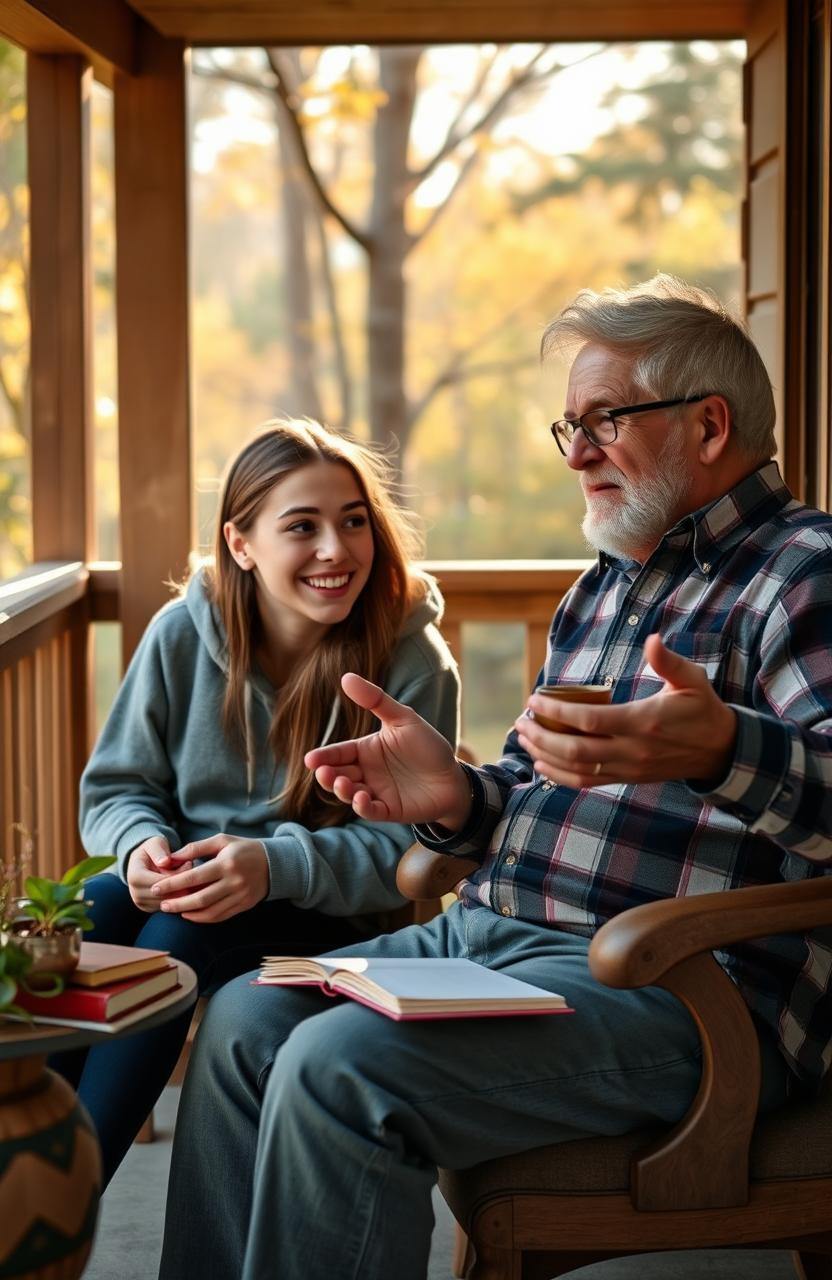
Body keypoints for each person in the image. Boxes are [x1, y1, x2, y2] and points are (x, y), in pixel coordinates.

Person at [158, 276, 832, 1280]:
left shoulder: (801, 572)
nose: (576, 452)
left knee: (337, 1071)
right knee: (249, 1018)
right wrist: (454, 797)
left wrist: (720, 749)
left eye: (603, 420)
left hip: (674, 986)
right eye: (568, 425)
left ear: (707, 424)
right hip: (493, 942)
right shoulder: (601, 589)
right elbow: (523, 787)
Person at [56, 417, 459, 1186]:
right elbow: (117, 786)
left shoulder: (409, 656)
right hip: (196, 880)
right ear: (242, 544)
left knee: (177, 934)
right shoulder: (181, 633)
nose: (336, 550)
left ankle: (64, 1205)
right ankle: (26, 1183)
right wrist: (139, 846)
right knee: (91, 910)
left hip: (341, 914)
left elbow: (409, 854)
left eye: (353, 522)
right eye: (302, 527)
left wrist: (271, 866)